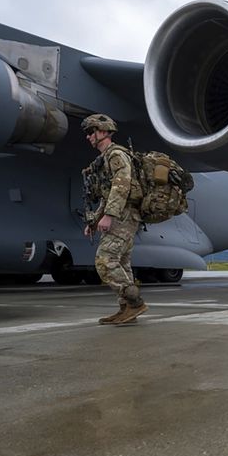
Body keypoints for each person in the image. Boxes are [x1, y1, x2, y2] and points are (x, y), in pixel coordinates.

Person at [81, 114, 147, 325]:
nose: (89, 137)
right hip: (123, 214)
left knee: (105, 260)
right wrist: (94, 220)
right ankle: (126, 309)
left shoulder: (116, 154)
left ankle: (135, 303)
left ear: (103, 132)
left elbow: (122, 186)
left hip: (124, 215)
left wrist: (109, 216)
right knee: (122, 263)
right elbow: (107, 194)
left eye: (91, 132)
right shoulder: (105, 158)